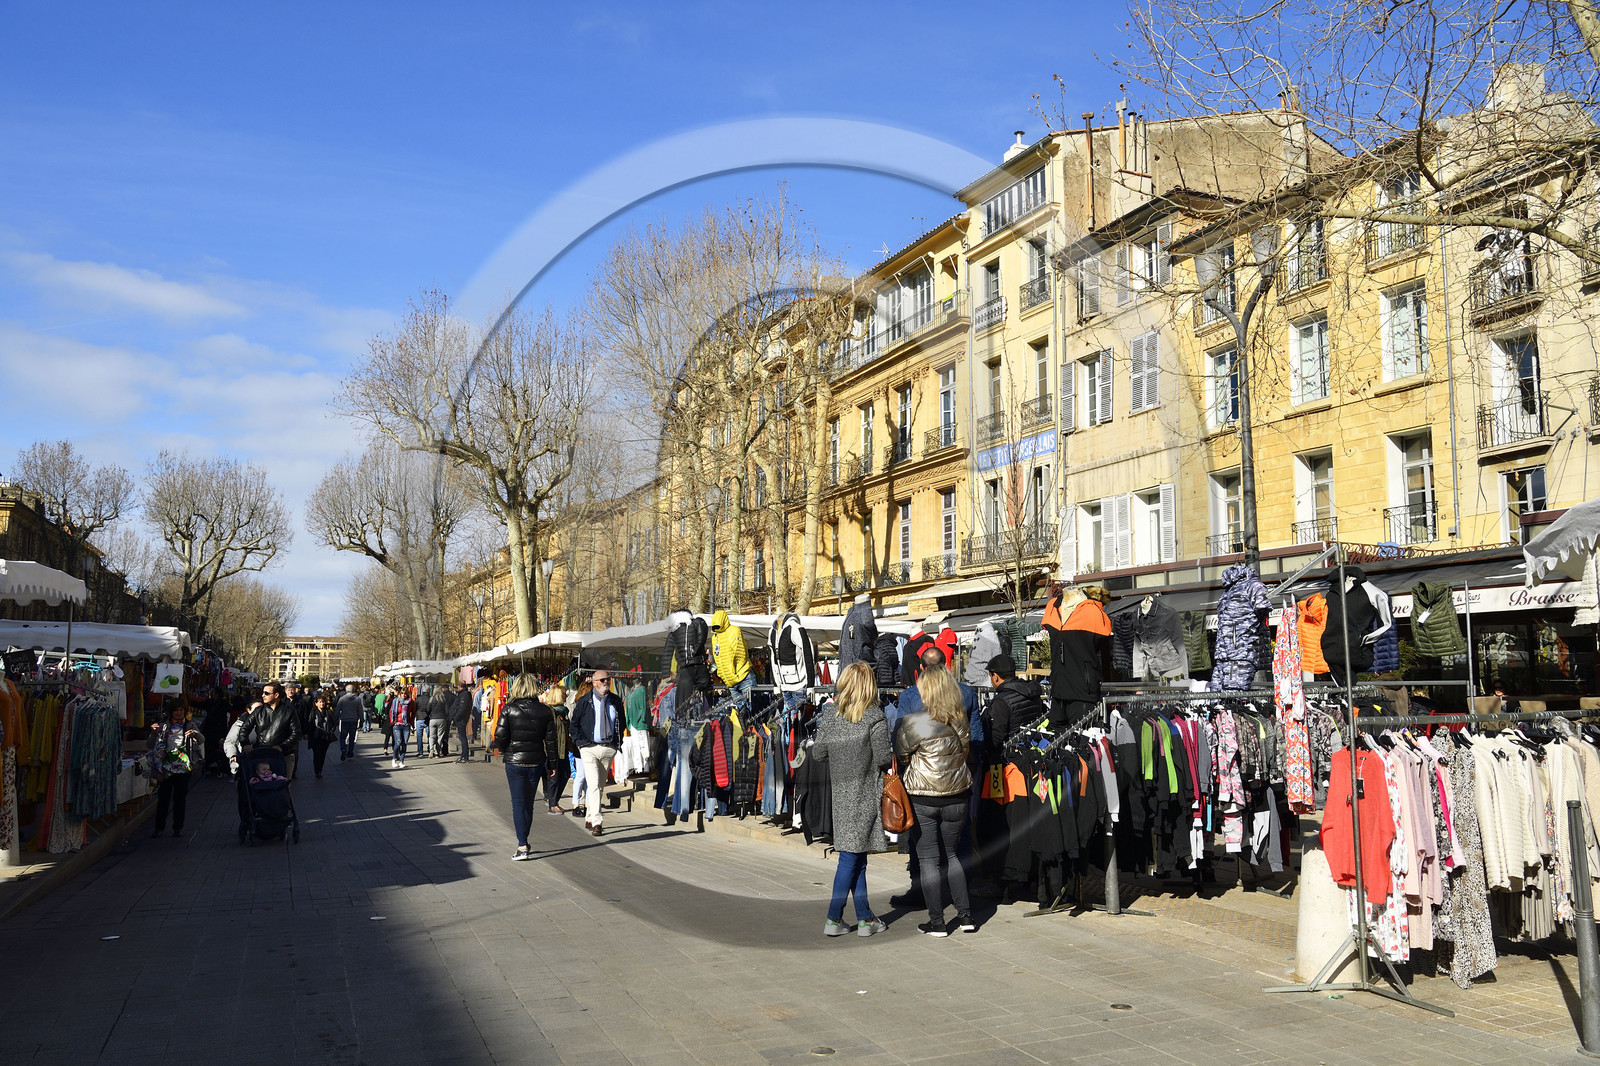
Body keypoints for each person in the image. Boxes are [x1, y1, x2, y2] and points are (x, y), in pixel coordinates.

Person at [889, 647, 980, 910]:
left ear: (920, 668)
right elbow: (974, 739)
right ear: (946, 665)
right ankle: (961, 896)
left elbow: (899, 740)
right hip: (957, 781)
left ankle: (922, 895)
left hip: (921, 784)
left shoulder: (910, 696)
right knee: (956, 844)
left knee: (924, 848)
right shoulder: (966, 693)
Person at [814, 660, 890, 938]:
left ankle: (865, 919)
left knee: (856, 857)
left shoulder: (830, 716)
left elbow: (818, 754)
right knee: (850, 858)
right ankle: (833, 919)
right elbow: (883, 757)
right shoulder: (875, 717)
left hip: (841, 797)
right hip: (865, 794)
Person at [492, 674, 555, 861]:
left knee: (518, 804)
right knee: (528, 804)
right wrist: (552, 764)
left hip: (515, 762)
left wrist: (507, 751)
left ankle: (522, 845)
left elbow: (500, 736)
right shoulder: (545, 711)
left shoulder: (509, 709)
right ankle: (524, 840)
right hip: (536, 761)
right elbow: (551, 741)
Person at [570, 670, 623, 837]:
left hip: (608, 748)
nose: (606, 682)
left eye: (607, 679)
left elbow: (622, 722)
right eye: (602, 680)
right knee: (593, 784)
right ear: (594, 682)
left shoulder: (615, 700)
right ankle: (597, 822)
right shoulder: (585, 701)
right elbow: (574, 725)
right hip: (589, 748)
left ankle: (589, 815)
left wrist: (616, 744)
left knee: (599, 785)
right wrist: (580, 743)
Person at [148, 705, 201, 838]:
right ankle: (159, 827)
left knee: (180, 798)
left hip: (183, 767)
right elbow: (149, 744)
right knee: (163, 798)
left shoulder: (190, 725)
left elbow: (201, 740)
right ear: (170, 712)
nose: (178, 712)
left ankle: (178, 827)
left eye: (181, 710)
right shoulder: (163, 726)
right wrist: (154, 732)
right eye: (176, 710)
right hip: (165, 767)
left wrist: (195, 734)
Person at [249, 683, 302, 778]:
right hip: (262, 754)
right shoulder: (258, 711)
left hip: (284, 755)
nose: (262, 695)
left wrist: (282, 746)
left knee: (282, 787)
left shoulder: (289, 711)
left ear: (276, 695)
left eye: (266, 693)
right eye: (262, 693)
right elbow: (244, 728)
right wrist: (245, 744)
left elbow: (296, 733)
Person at [540, 684, 571, 812]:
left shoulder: (563, 712)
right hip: (552, 750)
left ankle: (553, 800)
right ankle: (552, 804)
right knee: (554, 776)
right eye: (564, 694)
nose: (566, 696)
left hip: (563, 749)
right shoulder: (549, 712)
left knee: (565, 773)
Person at [306, 692, 337, 778]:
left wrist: (331, 731)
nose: (321, 703)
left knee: (323, 754)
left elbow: (334, 722)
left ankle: (320, 770)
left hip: (325, 737)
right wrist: (308, 734)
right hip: (315, 737)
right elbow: (309, 724)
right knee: (317, 754)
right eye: (319, 702)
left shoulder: (328, 712)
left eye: (323, 702)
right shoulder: (313, 712)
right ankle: (317, 771)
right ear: (316, 703)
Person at [336, 684, 363, 760]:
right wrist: (362, 721)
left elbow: (337, 710)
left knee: (342, 737)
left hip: (344, 720)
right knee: (352, 738)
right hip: (354, 720)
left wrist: (335, 719)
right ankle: (350, 753)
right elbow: (360, 711)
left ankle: (343, 748)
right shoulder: (357, 699)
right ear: (353, 690)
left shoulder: (342, 699)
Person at [450, 682, 475, 762]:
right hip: (461, 718)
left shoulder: (464, 695)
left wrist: (456, 717)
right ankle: (464, 755)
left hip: (461, 719)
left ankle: (465, 756)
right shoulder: (463, 694)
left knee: (463, 738)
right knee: (462, 737)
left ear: (459, 686)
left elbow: (462, 708)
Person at [390, 687, 414, 768]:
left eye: (405, 693)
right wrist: (393, 722)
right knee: (398, 742)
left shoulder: (410, 702)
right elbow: (391, 711)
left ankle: (401, 760)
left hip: (406, 725)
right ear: (400, 694)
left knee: (404, 743)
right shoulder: (396, 701)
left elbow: (413, 713)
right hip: (397, 725)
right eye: (402, 693)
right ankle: (394, 758)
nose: (404, 695)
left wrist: (410, 722)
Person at [428, 685, 450, 758]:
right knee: (440, 736)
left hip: (433, 719)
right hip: (441, 719)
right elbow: (447, 711)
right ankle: (437, 752)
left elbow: (428, 709)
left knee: (432, 736)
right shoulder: (443, 700)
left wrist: (430, 715)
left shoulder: (431, 699)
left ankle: (431, 749)